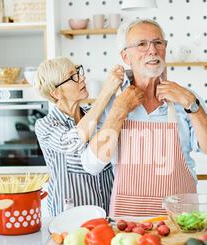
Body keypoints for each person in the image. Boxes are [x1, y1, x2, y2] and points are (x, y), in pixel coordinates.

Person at [81, 19, 207, 219]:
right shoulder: (114, 103)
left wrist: (191, 103)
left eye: (158, 43)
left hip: (182, 222)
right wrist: (119, 110)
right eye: (142, 44)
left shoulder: (186, 100)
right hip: (128, 225)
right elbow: (92, 165)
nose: (153, 50)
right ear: (126, 56)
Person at [34, 57, 138, 216]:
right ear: (55, 93)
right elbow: (74, 141)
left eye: (78, 71)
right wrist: (106, 92)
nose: (81, 77)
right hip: (70, 218)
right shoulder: (45, 125)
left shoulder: (95, 113)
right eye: (72, 76)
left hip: (108, 213)